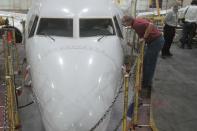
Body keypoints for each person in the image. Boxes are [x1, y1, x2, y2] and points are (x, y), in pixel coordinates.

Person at [122, 16, 164, 94]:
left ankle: (146, 83)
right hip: (155, 41)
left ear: (129, 21)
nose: (124, 25)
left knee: (149, 63)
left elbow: (150, 25)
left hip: (155, 42)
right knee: (147, 61)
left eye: (124, 23)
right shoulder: (136, 21)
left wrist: (144, 37)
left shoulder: (136, 24)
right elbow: (147, 22)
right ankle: (146, 80)